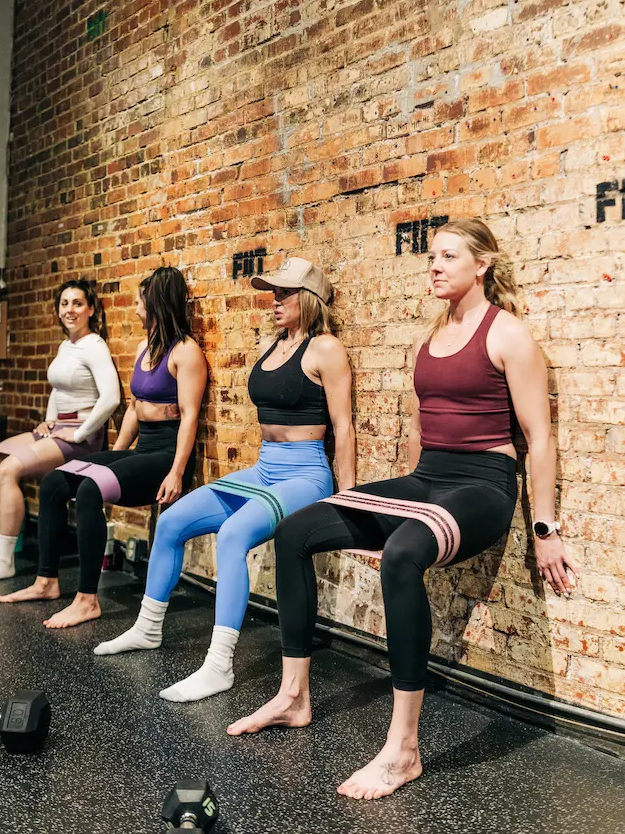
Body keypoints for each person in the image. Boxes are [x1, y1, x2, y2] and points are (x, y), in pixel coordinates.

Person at [228, 218, 581, 801]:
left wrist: (544, 527)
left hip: (484, 488)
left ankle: (404, 750)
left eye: (448, 256)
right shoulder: (431, 335)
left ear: (482, 265)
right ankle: (293, 696)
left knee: (403, 554)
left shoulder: (508, 335)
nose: (435, 265)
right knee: (295, 531)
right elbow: (421, 432)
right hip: (428, 480)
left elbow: (538, 439)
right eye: (433, 257)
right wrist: (385, 503)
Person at [94, 257, 356, 707]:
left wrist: (347, 498)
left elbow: (344, 426)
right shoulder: (274, 347)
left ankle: (219, 665)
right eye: (272, 292)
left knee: (233, 535)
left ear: (310, 299)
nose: (274, 300)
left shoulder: (326, 349)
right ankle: (148, 627)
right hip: (266, 467)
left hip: (306, 473)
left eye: (284, 293)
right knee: (174, 520)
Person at [0, 265, 207, 629]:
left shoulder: (186, 352)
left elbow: (189, 417)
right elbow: (135, 407)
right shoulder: (145, 347)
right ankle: (46, 582)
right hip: (141, 451)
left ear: (156, 304)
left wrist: (176, 472)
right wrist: (112, 456)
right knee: (54, 483)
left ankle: (86, 600)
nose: (136, 309)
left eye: (141, 302)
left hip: (167, 456)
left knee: (92, 489)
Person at [0, 279, 119, 585]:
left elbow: (110, 397)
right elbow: (58, 390)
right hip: (58, 429)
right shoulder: (66, 346)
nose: (70, 310)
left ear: (90, 309)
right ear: (58, 310)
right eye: (64, 304)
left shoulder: (94, 345)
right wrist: (49, 420)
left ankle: (4, 560)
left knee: (8, 470)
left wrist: (80, 433)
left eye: (77, 303)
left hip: (80, 437)